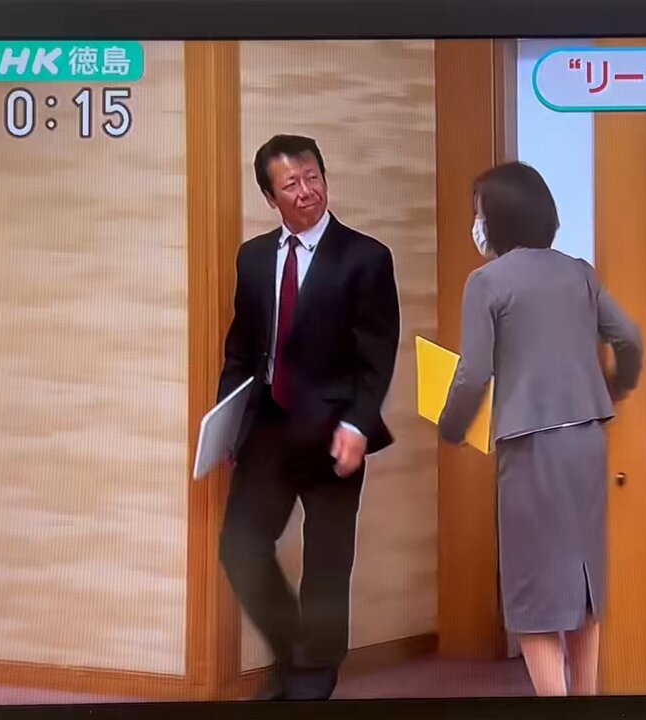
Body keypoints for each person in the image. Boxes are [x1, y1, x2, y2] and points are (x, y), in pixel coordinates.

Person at [438, 162, 643, 696]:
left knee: (532, 595)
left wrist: (451, 427)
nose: (476, 224)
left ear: (498, 218)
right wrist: (615, 387)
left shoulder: (486, 282)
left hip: (531, 446)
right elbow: (629, 337)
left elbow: (472, 374)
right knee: (582, 586)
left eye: (478, 213)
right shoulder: (579, 272)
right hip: (586, 442)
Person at [216, 134, 400, 701]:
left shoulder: (366, 257)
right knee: (240, 547)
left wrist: (358, 425)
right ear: (270, 197)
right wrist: (228, 427)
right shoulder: (253, 258)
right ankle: (294, 649)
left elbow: (377, 355)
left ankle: (312, 678)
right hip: (268, 428)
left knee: (326, 560)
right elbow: (240, 353)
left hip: (334, 431)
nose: (306, 192)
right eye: (291, 184)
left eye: (313, 177)